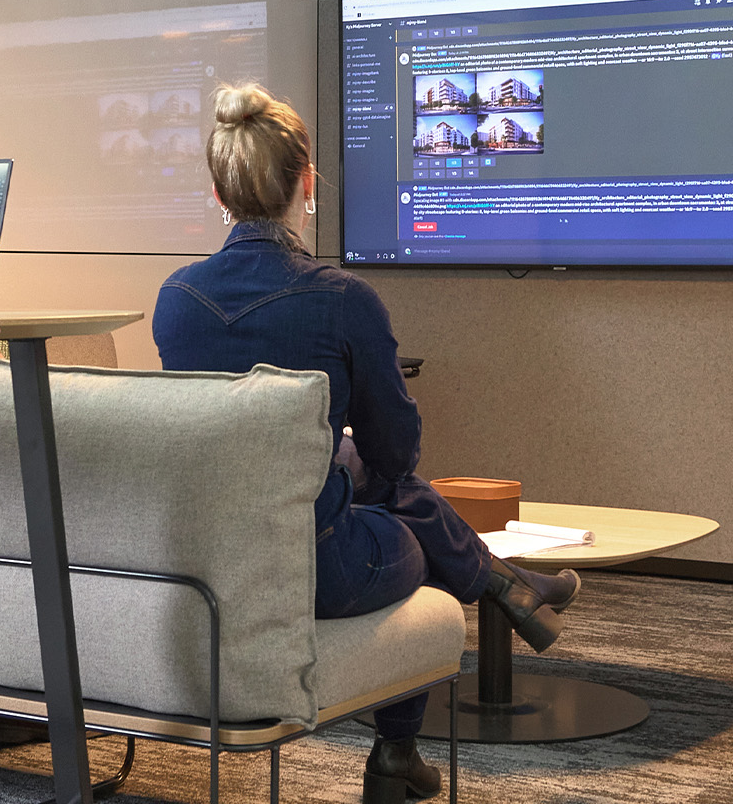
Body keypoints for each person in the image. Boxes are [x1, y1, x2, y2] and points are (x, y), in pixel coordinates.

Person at [151, 83, 581, 804]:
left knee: (377, 485)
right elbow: (396, 454)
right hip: (315, 564)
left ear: (216, 188)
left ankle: (508, 591)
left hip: (204, 550)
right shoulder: (342, 297)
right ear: (305, 182)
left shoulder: (175, 296)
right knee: (407, 514)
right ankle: (400, 742)